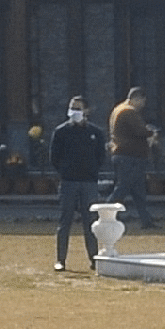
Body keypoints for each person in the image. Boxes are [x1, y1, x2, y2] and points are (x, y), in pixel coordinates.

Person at [47, 95, 103, 270]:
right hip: (69, 182)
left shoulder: (95, 133)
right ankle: (61, 260)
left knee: (90, 223)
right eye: (72, 108)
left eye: (78, 108)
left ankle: (94, 259)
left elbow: (100, 157)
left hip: (89, 183)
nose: (74, 112)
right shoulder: (61, 132)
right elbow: (54, 157)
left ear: (86, 111)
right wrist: (65, 171)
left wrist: (92, 171)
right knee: (65, 222)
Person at [106, 83, 159, 225]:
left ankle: (146, 221)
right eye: (143, 101)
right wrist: (151, 132)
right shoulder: (129, 111)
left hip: (124, 154)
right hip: (130, 157)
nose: (143, 105)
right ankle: (104, 213)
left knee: (138, 191)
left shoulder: (118, 109)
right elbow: (140, 131)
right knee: (123, 187)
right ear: (137, 98)